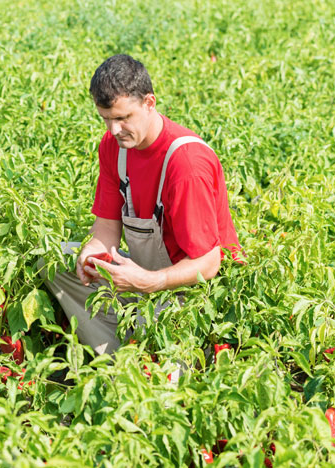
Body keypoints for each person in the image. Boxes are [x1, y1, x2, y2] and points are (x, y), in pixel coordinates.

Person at [42, 55, 241, 355]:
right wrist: (93, 251)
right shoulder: (115, 147)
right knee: (56, 260)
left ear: (150, 103)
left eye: (123, 118)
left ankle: (145, 359)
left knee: (163, 357)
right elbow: (106, 228)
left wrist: (149, 282)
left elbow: (209, 263)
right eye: (106, 118)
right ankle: (117, 354)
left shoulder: (186, 164)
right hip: (144, 275)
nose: (113, 129)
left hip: (195, 290)